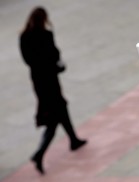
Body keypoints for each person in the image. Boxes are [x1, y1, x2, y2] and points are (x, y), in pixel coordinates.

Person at [19, 6, 87, 174]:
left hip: (38, 82)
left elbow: (27, 60)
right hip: (50, 81)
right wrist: (57, 66)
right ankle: (39, 153)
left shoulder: (24, 36)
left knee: (61, 109)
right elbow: (54, 56)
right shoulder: (45, 35)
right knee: (54, 118)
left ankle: (73, 139)